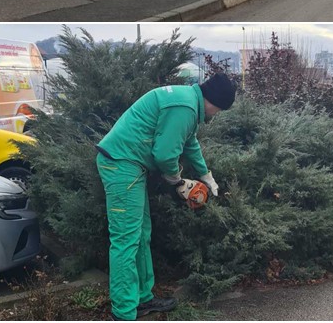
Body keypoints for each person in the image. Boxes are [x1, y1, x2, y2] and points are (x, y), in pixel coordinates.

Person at [95, 73, 236, 321]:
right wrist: (177, 182)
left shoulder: (189, 102)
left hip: (130, 165)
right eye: (220, 109)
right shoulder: (185, 107)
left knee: (141, 234)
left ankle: (143, 299)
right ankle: (124, 312)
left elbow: (189, 143)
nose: (217, 114)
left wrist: (206, 175)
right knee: (126, 240)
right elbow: (164, 154)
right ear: (213, 100)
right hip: (120, 164)